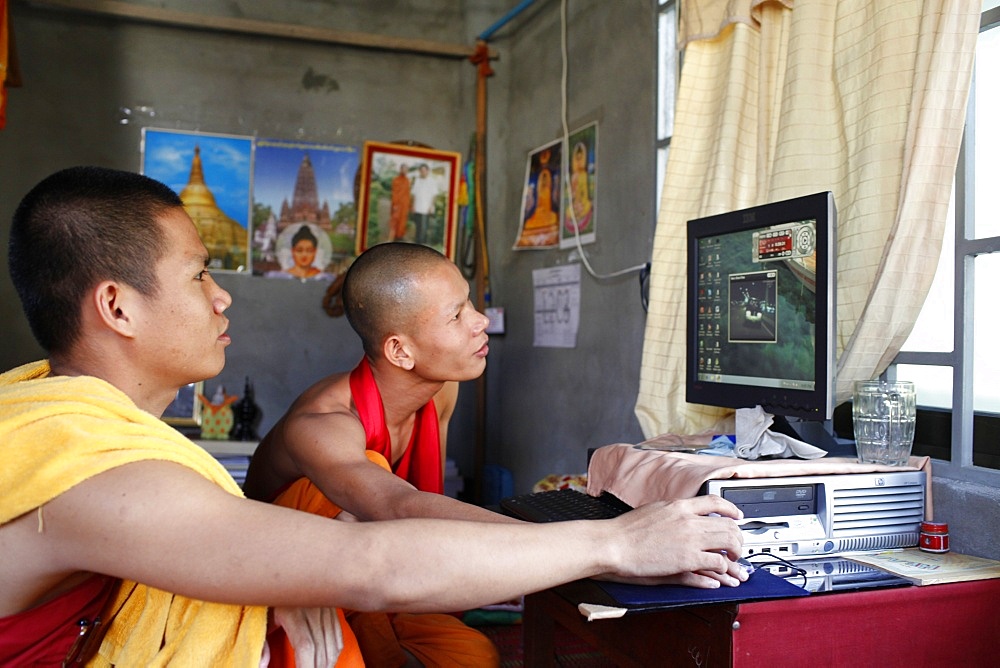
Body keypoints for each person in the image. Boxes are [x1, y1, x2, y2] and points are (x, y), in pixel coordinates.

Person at [0, 166, 747, 666]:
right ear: (117, 305)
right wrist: (612, 544)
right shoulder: (95, 472)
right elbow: (373, 553)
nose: (221, 296)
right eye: (199, 273)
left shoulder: (80, 434)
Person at [241, 242, 746, 666]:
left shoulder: (439, 390)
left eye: (471, 304)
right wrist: (609, 550)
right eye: (457, 315)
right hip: (290, 587)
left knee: (475, 656)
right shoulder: (324, 425)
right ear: (400, 351)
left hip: (380, 556)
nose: (481, 321)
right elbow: (398, 508)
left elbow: (412, 518)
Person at [409, 164, 438, 245]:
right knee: (418, 227)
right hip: (417, 208)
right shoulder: (417, 181)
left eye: (424, 170)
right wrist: (413, 206)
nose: (423, 172)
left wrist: (432, 206)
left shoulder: (432, 181)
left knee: (424, 228)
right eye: (421, 171)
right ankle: (417, 244)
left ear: (427, 171)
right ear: (419, 171)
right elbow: (414, 194)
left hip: (426, 208)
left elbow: (434, 195)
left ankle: (423, 245)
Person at [389, 163, 412, 241]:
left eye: (406, 169)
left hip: (405, 204)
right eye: (404, 169)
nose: (405, 171)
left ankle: (400, 236)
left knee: (403, 221)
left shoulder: (408, 180)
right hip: (397, 204)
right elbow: (394, 193)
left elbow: (408, 193)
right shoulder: (396, 180)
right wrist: (395, 204)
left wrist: (409, 205)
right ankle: (394, 237)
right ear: (401, 169)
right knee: (395, 220)